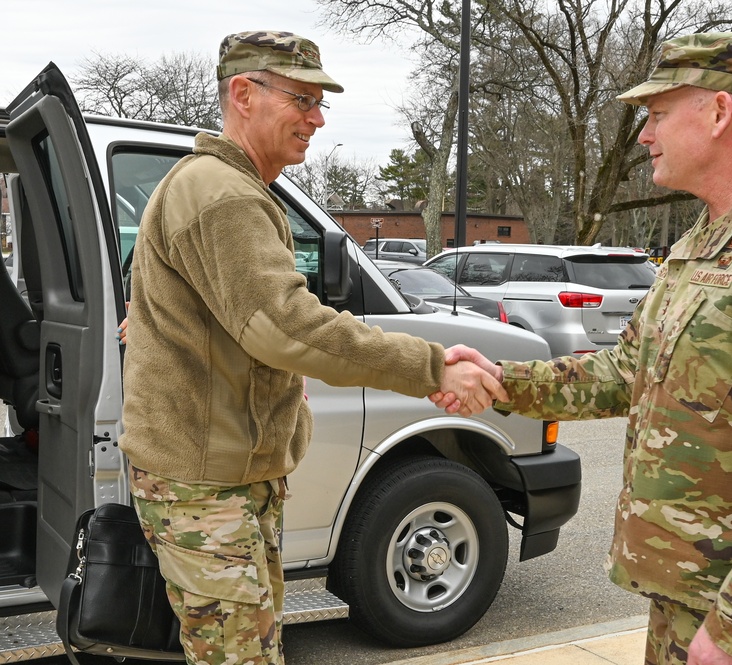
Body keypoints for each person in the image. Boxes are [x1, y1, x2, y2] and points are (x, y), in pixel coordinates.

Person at [438, 32, 732, 665]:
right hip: (695, 590)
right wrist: (503, 378)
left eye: (656, 114)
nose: (645, 135)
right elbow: (628, 370)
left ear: (717, 111)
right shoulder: (704, 242)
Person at [118, 30, 505, 665]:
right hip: (208, 490)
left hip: (231, 483)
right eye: (301, 99)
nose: (317, 118)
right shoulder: (223, 196)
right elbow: (287, 326)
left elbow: (234, 328)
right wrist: (431, 365)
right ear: (244, 94)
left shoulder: (229, 189)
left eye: (319, 102)